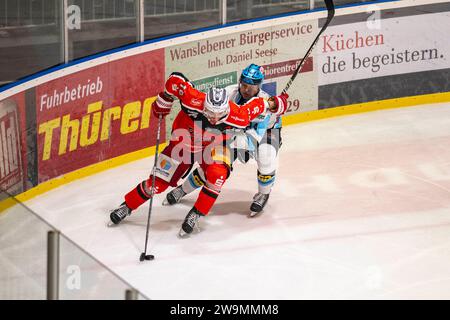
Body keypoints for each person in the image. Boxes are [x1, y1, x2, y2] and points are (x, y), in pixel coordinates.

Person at [109, 72, 288, 237]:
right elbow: (174, 80)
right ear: (204, 106)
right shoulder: (192, 99)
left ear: (226, 109)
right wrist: (164, 99)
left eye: (219, 115)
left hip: (213, 147)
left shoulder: (238, 115)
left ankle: (196, 213)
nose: (213, 119)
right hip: (182, 144)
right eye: (210, 113)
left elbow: (263, 104)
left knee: (218, 175)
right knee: (157, 184)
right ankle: (127, 206)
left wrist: (278, 103)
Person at [163, 64, 284, 216]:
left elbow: (257, 134)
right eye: (244, 85)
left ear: (259, 87)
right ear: (240, 82)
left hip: (268, 131)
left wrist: (243, 146)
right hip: (236, 131)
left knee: (266, 156)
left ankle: (263, 193)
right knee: (214, 162)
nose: (247, 90)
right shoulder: (228, 93)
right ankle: (183, 189)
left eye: (251, 88)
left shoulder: (263, 102)